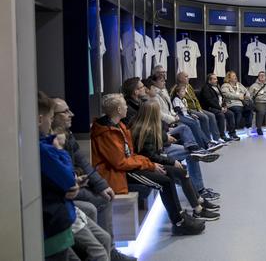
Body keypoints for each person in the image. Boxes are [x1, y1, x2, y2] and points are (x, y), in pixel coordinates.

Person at [90, 94, 205, 235]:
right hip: (117, 173)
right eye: (125, 105)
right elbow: (120, 163)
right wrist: (150, 165)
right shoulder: (107, 133)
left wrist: (149, 163)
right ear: (119, 109)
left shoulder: (119, 126)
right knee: (164, 182)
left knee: (171, 176)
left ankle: (181, 216)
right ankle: (179, 222)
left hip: (129, 166)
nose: (127, 107)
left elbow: (129, 155)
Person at [51, 98, 135, 261]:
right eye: (65, 112)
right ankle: (106, 251)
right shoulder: (50, 140)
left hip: (75, 184)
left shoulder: (67, 134)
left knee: (105, 195)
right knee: (96, 204)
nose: (71, 114)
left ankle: (107, 250)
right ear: (51, 116)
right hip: (64, 192)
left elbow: (82, 162)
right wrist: (75, 175)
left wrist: (101, 184)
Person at [132, 78, 221, 201]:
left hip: (161, 138)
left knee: (191, 126)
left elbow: (159, 123)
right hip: (157, 147)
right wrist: (166, 137)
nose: (146, 89)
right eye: (142, 87)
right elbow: (149, 137)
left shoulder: (146, 102)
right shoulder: (142, 107)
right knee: (188, 133)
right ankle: (198, 196)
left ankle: (197, 150)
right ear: (136, 91)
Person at [130, 99, 220, 221]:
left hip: (154, 158)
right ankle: (198, 207)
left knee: (183, 170)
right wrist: (171, 161)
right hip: (149, 163)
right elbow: (151, 156)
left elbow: (158, 142)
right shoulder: (147, 131)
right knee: (182, 171)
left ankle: (199, 202)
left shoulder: (149, 126)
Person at [38, 91, 77, 261]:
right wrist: (59, 149)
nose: (51, 121)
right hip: (54, 224)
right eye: (50, 116)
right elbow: (68, 178)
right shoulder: (45, 149)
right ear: (40, 119)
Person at [152, 74, 223, 152]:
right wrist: (174, 117)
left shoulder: (186, 87)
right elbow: (172, 108)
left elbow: (194, 100)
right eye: (162, 81)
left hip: (184, 112)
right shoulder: (163, 94)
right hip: (177, 115)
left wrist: (198, 109)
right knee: (194, 122)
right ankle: (203, 145)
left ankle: (208, 141)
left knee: (202, 118)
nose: (164, 83)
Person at [170, 72, 230, 143]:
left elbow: (195, 99)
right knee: (204, 117)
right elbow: (175, 101)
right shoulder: (176, 88)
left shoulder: (189, 86)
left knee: (211, 115)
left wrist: (199, 108)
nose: (188, 78)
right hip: (189, 109)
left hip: (197, 108)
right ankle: (208, 140)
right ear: (180, 79)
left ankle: (217, 138)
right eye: (186, 77)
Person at [199, 73, 240, 141]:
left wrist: (224, 106)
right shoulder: (206, 88)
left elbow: (222, 98)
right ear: (209, 81)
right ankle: (222, 135)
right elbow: (210, 102)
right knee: (221, 115)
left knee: (230, 114)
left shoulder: (217, 86)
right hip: (210, 108)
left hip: (220, 107)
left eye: (216, 79)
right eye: (214, 79)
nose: (217, 80)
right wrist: (220, 108)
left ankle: (232, 134)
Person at [221, 71, 254, 136]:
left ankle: (247, 127)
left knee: (249, 111)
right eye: (233, 76)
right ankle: (234, 130)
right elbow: (227, 94)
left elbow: (246, 91)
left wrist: (246, 96)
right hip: (231, 104)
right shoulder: (225, 86)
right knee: (238, 110)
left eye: (235, 75)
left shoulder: (239, 84)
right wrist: (238, 96)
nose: (235, 77)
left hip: (242, 103)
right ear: (229, 78)